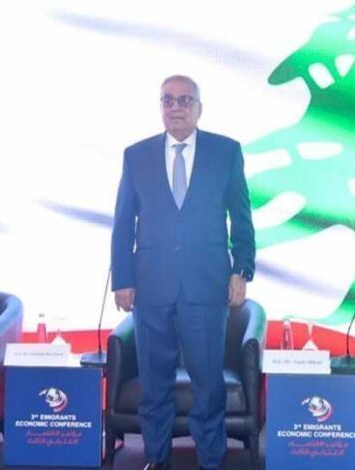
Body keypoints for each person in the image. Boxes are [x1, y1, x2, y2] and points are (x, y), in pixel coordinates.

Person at [111, 75, 255, 470]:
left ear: (199, 108)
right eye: (168, 100)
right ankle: (156, 457)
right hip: (150, 285)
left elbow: (241, 217)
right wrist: (122, 278)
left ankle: (211, 459)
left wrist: (241, 270)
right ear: (160, 106)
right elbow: (123, 222)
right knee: (154, 381)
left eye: (185, 100)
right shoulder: (136, 155)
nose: (175, 107)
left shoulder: (226, 152)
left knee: (208, 382)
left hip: (206, 285)